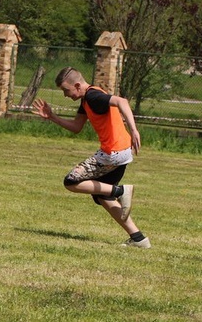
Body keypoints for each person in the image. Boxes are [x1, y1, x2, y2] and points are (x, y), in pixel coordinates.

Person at [32, 67, 150, 248]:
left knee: (71, 181)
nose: (65, 95)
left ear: (77, 85)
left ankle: (121, 191)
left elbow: (122, 101)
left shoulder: (93, 96)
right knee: (103, 195)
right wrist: (52, 117)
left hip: (113, 154)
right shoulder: (86, 99)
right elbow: (77, 127)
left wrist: (134, 130)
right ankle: (139, 239)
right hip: (122, 152)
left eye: (66, 90)